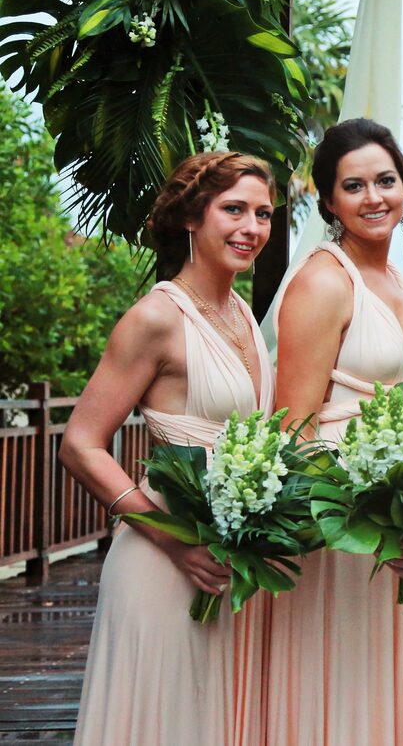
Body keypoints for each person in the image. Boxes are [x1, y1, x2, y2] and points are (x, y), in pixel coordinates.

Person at [60, 152, 276, 746]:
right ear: (191, 217)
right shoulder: (155, 318)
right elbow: (80, 444)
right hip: (162, 563)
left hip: (224, 563)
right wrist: (175, 540)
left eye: (262, 214)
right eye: (234, 210)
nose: (251, 228)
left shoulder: (242, 314)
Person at [263, 118, 403, 746]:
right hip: (339, 519)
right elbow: (294, 428)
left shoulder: (398, 283)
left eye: (386, 181)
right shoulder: (323, 281)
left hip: (391, 509)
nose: (374, 197)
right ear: (330, 202)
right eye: (353, 186)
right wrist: (359, 518)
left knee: (377, 681)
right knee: (338, 680)